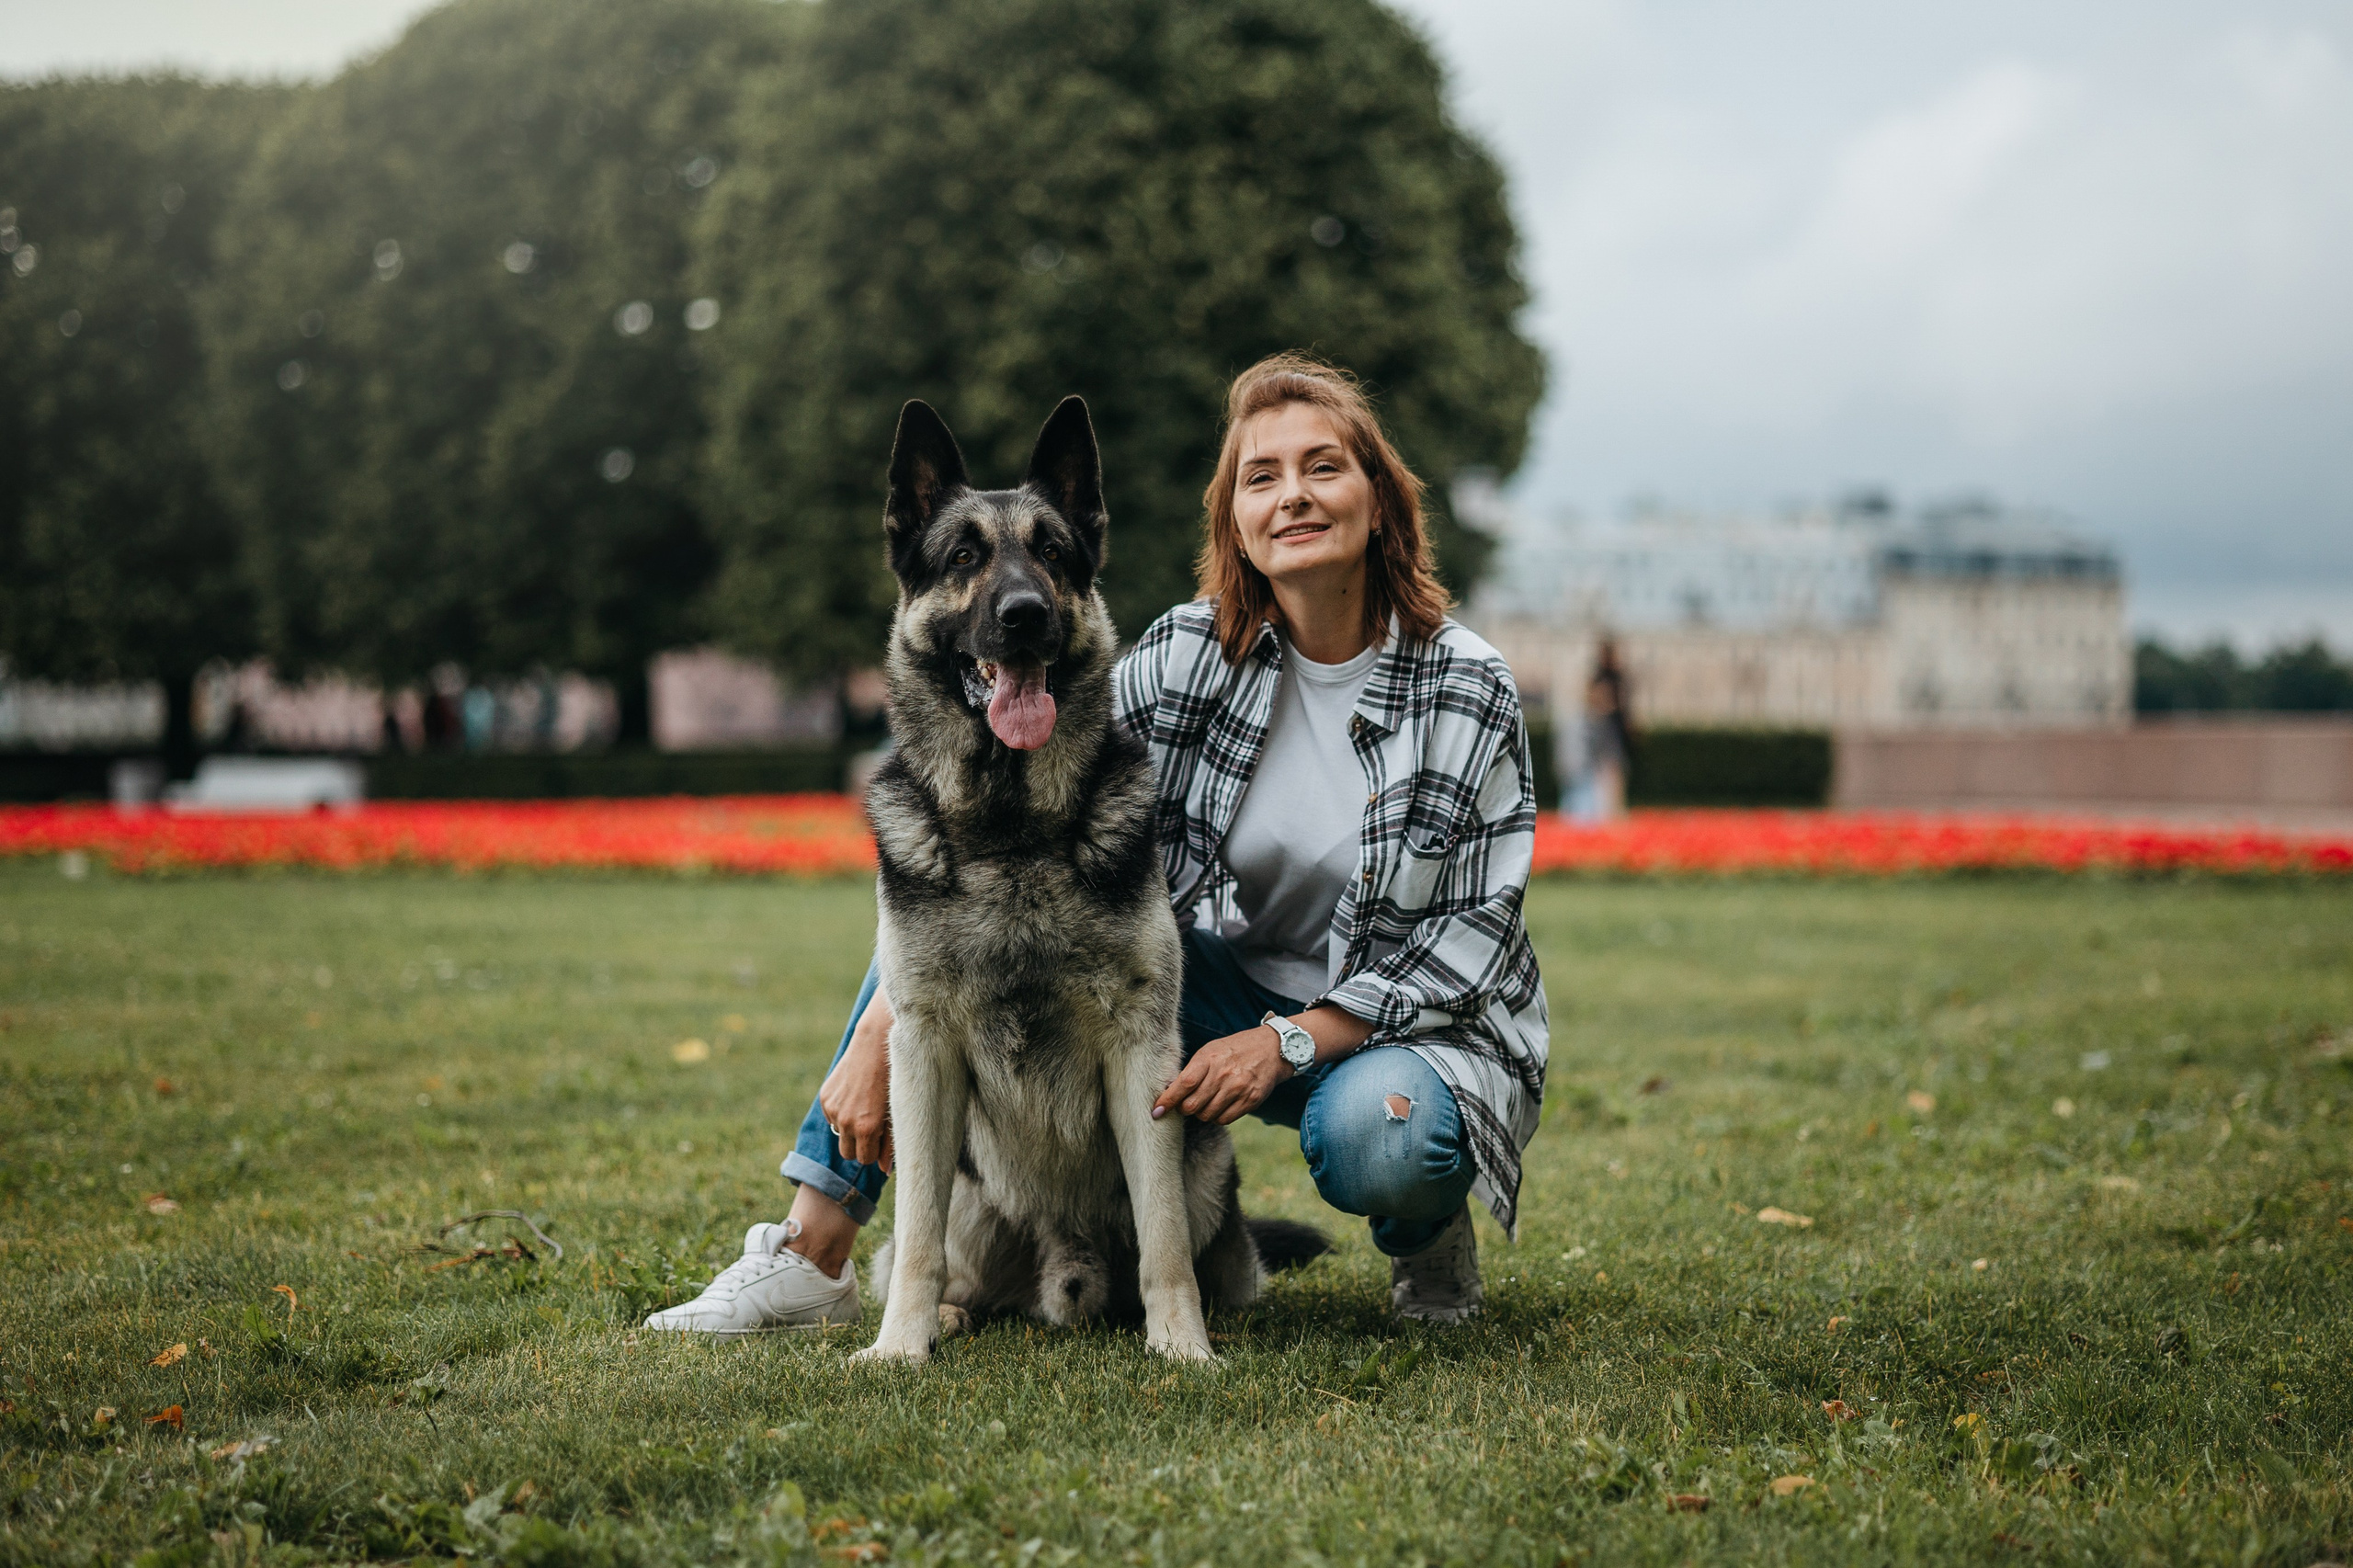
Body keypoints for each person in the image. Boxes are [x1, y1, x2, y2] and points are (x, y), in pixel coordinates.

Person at [645, 354, 1549, 1335]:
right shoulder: (1189, 655)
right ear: (1234, 515)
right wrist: (883, 1031)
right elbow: (980, 846)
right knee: (957, 886)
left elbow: (1464, 943)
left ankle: (1427, 1238)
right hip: (1223, 989)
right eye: (1261, 475)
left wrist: (1286, 1039)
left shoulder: (1466, 684)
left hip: (1395, 1026)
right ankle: (812, 1247)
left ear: (1377, 496)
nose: (1292, 495)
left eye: (1322, 467)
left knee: (1382, 1139)